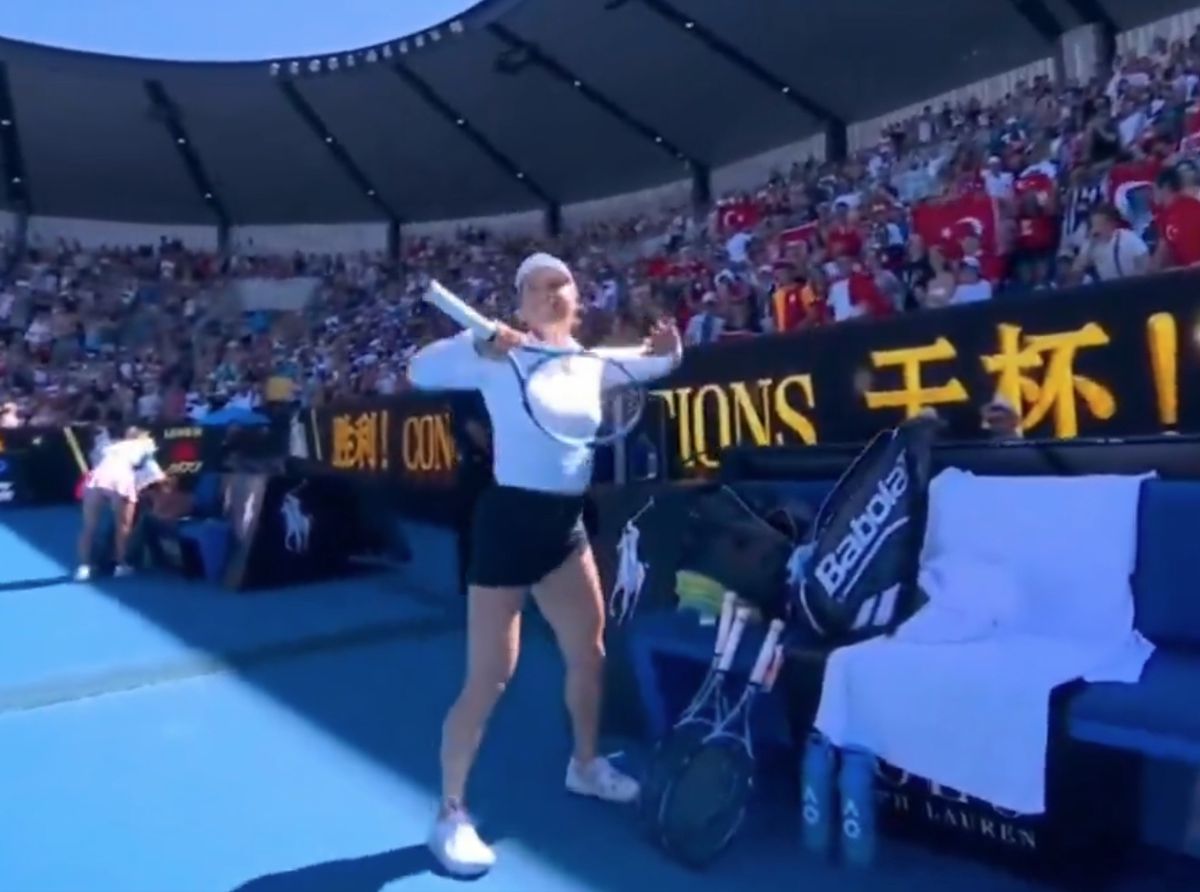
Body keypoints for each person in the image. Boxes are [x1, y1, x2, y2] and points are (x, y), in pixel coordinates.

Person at [407, 252, 682, 877]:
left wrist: (671, 350)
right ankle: (450, 813)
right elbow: (418, 371)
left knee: (590, 651)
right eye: (536, 288)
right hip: (507, 526)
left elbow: (654, 363)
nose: (550, 294)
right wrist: (476, 347)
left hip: (565, 529)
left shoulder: (591, 364)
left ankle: (584, 765)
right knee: (489, 677)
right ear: (520, 304)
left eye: (560, 285)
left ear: (576, 299)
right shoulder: (495, 354)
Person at [75, 428, 163, 581]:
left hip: (97, 478)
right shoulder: (146, 445)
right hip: (121, 479)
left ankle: (84, 568)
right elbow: (156, 474)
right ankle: (120, 565)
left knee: (89, 527)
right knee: (123, 526)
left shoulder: (108, 446)